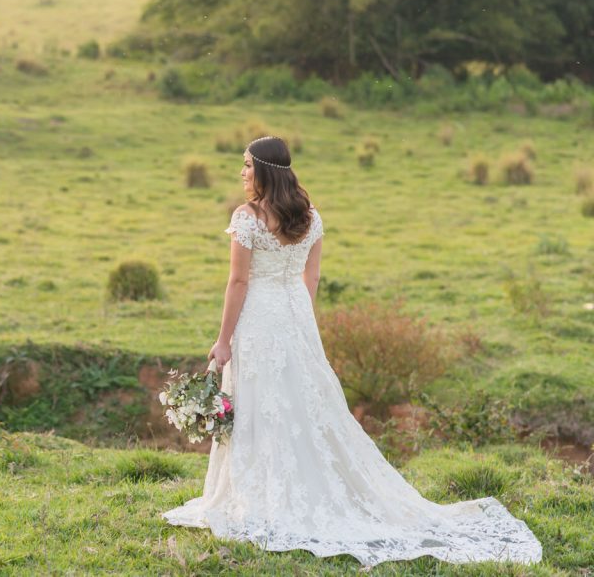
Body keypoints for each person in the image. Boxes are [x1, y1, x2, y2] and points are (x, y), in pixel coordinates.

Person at [161, 135, 542, 567]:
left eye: (247, 165)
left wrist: (223, 340)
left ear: (265, 170)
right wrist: (300, 321)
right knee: (302, 402)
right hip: (296, 316)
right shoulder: (310, 216)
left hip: (260, 321)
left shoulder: (247, 218)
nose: (242, 173)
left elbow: (238, 283)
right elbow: (313, 277)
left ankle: (261, 497)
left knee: (262, 403)